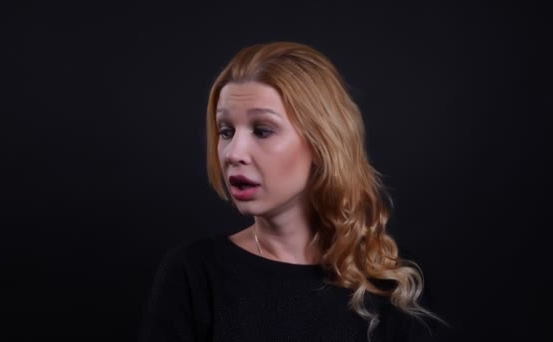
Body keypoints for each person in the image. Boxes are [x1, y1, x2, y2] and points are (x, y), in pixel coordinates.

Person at [138, 41, 443, 341]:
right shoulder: (195, 273)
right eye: (226, 131)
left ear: (322, 143)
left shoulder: (390, 276)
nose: (233, 153)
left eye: (262, 130)